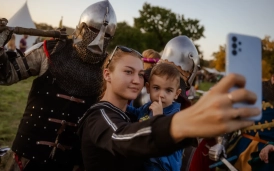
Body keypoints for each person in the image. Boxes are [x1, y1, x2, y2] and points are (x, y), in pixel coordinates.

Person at [0, 1, 117, 170]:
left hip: (70, 162)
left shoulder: (109, 68)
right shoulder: (51, 50)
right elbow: (4, 76)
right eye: (93, 31)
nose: (98, 40)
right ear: (81, 28)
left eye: (106, 36)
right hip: (28, 155)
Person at [77, 43, 260, 171]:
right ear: (107, 75)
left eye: (141, 74)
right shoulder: (100, 115)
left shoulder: (124, 114)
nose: (136, 80)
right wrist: (183, 122)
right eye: (128, 72)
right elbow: (122, 137)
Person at [126, 62, 183, 171]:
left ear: (176, 93)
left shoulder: (176, 118)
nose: (161, 95)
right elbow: (137, 113)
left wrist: (159, 120)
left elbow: (171, 155)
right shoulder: (147, 107)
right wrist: (123, 105)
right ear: (148, 88)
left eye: (168, 90)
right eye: (156, 88)